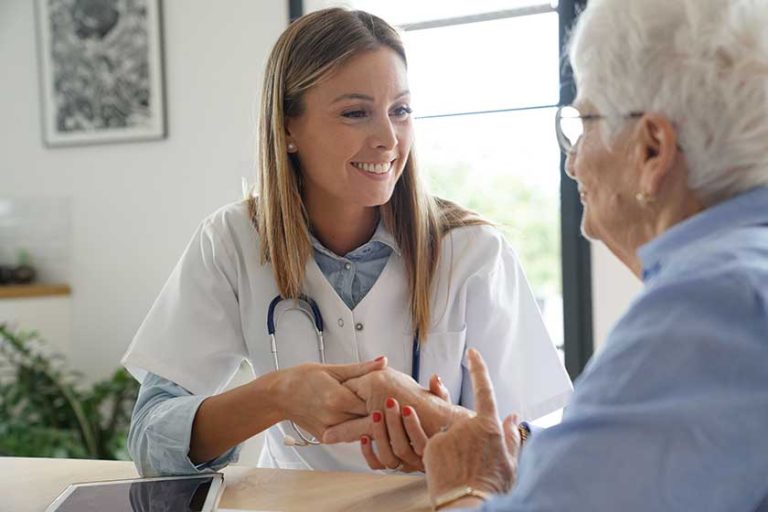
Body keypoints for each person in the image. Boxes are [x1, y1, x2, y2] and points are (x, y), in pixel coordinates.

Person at [121, 8, 571, 477]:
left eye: (400, 111)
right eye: (355, 113)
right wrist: (279, 394)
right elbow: (152, 441)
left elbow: (541, 455)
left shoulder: (474, 251)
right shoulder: (232, 241)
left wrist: (442, 424)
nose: (388, 139)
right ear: (288, 128)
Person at [379, 0, 768, 509]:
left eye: (584, 122)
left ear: (652, 150)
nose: (572, 162)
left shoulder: (707, 308)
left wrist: (465, 484)